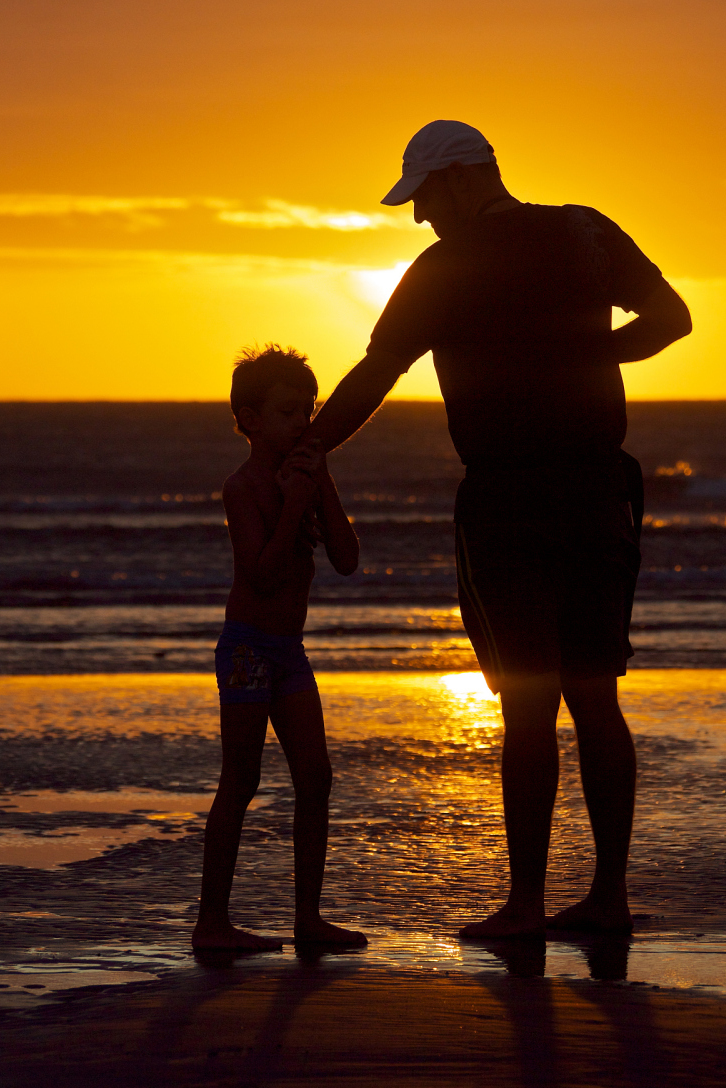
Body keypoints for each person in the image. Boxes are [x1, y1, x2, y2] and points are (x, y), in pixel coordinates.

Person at [300, 120, 692, 937]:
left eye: (422, 198)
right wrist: (587, 358)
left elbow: (374, 373)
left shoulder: (443, 268)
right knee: (593, 695)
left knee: (526, 703)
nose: (418, 218)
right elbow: (671, 319)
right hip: (595, 490)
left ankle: (523, 905)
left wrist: (301, 450)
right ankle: (607, 899)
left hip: (507, 499)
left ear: (460, 180)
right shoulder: (585, 230)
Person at [191, 345, 368, 951]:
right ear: (249, 417)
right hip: (247, 648)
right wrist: (294, 506)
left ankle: (307, 919)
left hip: (289, 651)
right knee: (240, 781)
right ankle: (211, 923)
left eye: (308, 410)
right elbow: (262, 572)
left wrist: (321, 484)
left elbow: (346, 559)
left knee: (315, 777)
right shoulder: (242, 488)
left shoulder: (308, 476)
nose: (303, 422)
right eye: (289, 411)